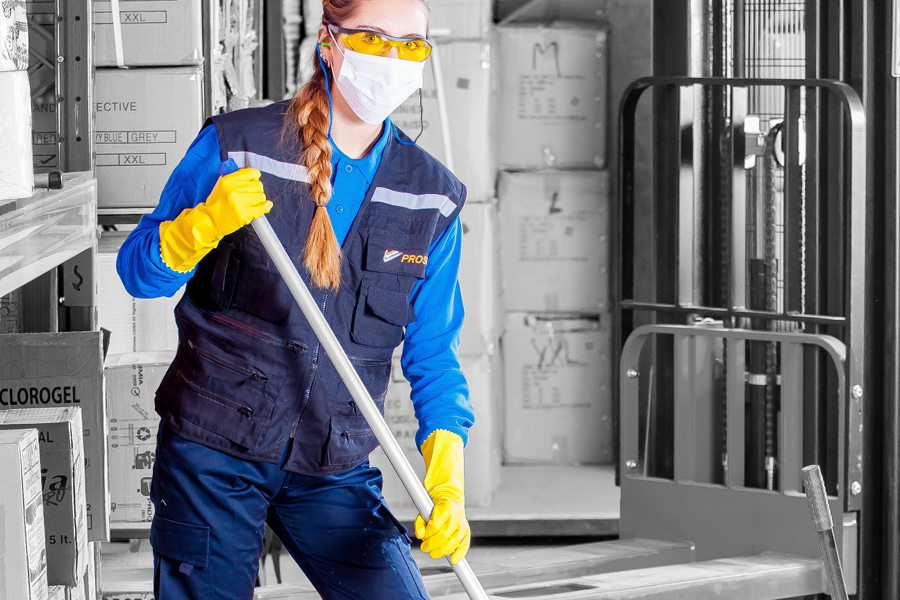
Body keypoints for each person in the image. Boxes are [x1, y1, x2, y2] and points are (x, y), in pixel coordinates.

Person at [115, 0, 474, 597]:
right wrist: (200, 224)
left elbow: (433, 357)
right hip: (214, 449)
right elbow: (137, 274)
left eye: (411, 45)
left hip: (332, 464)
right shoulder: (239, 146)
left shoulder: (431, 199)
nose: (394, 57)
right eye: (376, 39)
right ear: (330, 42)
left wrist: (447, 482)